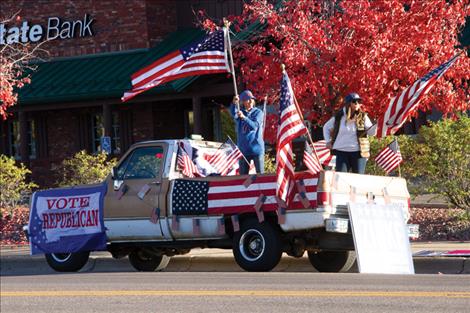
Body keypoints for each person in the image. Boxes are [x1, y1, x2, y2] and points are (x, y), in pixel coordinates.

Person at [323, 92, 376, 174]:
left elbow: (371, 133)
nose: (357, 104)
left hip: (359, 152)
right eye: (354, 101)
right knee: (341, 179)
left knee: (358, 179)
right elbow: (326, 127)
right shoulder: (339, 116)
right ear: (348, 104)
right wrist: (328, 141)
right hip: (342, 152)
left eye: (359, 102)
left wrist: (377, 126)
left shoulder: (363, 116)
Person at [230, 90, 265, 174]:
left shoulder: (258, 112)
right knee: (243, 178)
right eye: (247, 99)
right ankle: (247, 187)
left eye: (251, 99)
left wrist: (244, 118)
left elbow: (254, 126)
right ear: (242, 102)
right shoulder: (240, 112)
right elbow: (233, 114)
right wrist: (234, 103)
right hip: (243, 149)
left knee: (260, 176)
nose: (250, 101)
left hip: (256, 148)